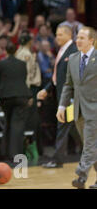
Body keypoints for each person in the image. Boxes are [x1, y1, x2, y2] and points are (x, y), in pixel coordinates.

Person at [57, 26, 97, 189]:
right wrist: (61, 106)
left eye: (81, 38)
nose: (77, 41)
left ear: (91, 40)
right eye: (77, 37)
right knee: (92, 145)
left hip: (95, 109)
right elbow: (68, 85)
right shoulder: (73, 58)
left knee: (89, 144)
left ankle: (81, 176)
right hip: (78, 109)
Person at [37, 25, 79, 168]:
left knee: (65, 127)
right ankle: (59, 158)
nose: (57, 38)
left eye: (60, 35)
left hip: (71, 98)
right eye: (56, 34)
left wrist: (71, 97)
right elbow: (58, 76)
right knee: (72, 128)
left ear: (69, 35)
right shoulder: (61, 50)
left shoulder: (74, 50)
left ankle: (57, 159)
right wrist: (47, 89)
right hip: (62, 96)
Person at [0, 41, 32, 160]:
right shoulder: (22, 64)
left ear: (5, 51)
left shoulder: (1, 64)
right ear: (16, 51)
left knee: (7, 123)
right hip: (21, 95)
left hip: (5, 97)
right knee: (17, 125)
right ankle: (16, 154)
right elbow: (24, 78)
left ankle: (5, 152)